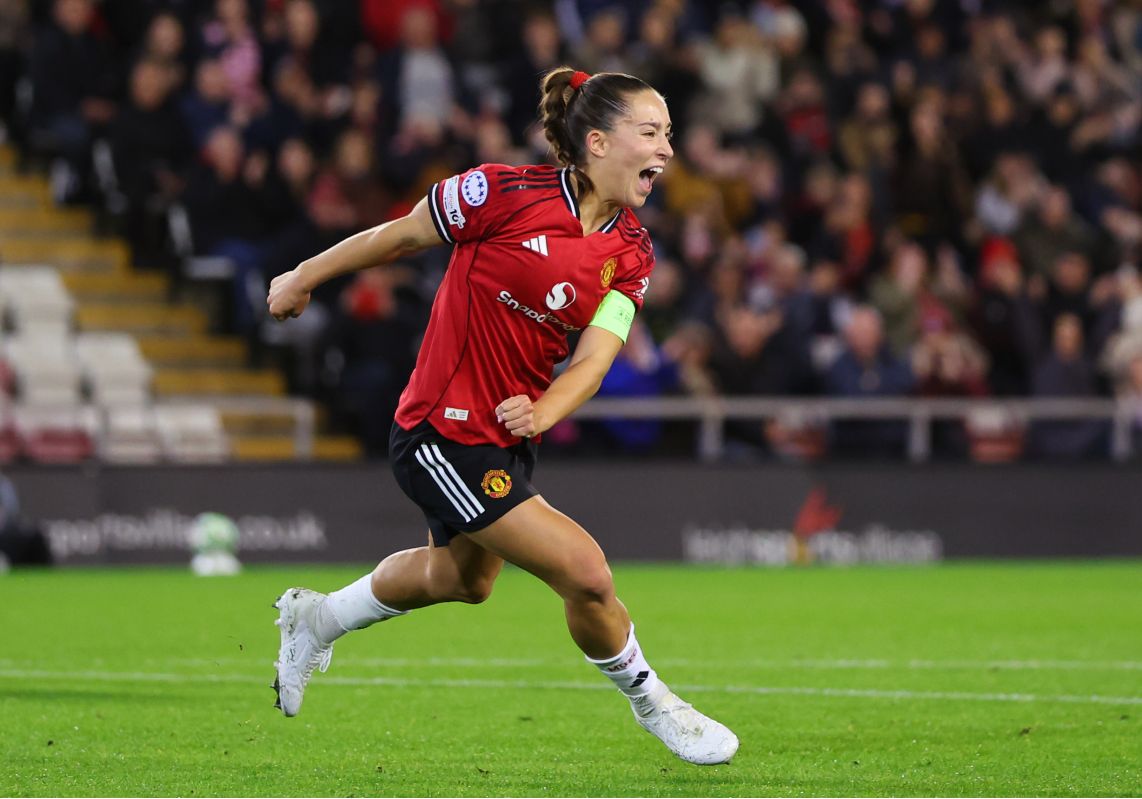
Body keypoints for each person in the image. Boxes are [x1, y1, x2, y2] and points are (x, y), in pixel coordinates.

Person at [266, 68, 739, 766]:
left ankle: (318, 618)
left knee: (461, 580)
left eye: (668, 133)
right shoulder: (500, 192)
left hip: (507, 436)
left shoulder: (632, 254)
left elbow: (594, 359)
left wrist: (545, 407)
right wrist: (303, 275)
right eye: (651, 131)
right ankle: (656, 703)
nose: (666, 149)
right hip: (439, 431)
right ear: (600, 141)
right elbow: (399, 237)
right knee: (586, 571)